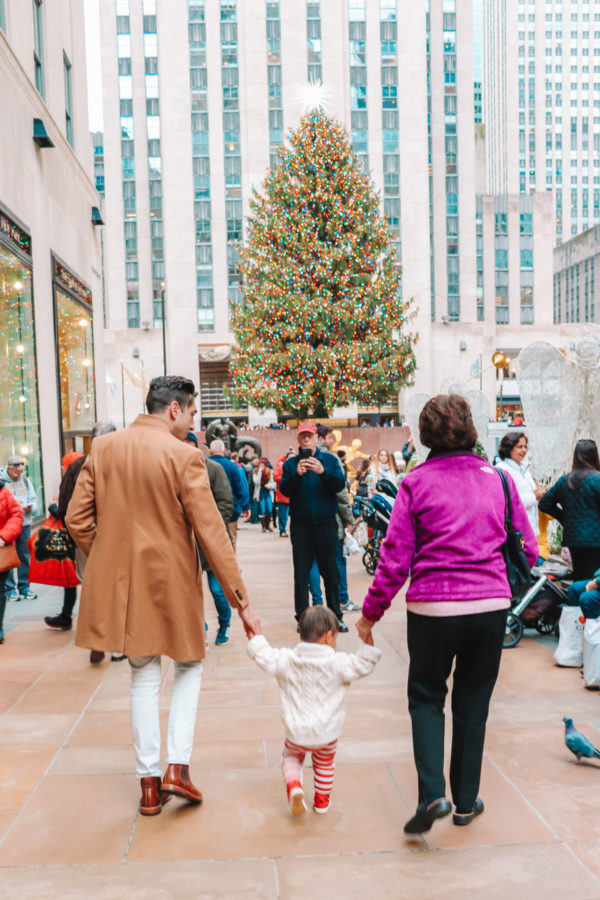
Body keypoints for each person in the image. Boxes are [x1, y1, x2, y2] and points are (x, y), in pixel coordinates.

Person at [66, 375, 260, 816]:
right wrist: (241, 602)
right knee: (190, 664)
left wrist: (111, 560)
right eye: (192, 412)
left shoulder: (105, 449)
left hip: (128, 587)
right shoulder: (184, 455)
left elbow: (77, 520)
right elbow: (212, 532)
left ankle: (149, 786)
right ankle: (178, 769)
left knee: (142, 675)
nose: (192, 420)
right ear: (174, 409)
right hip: (173, 582)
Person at [356, 394, 538, 835]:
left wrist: (369, 615)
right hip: (490, 607)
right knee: (473, 704)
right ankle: (464, 801)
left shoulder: (415, 483)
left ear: (425, 434)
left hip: (433, 608)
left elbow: (394, 558)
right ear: (470, 428)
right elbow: (529, 549)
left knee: (426, 697)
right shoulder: (497, 479)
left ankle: (432, 793)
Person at [247, 606, 380, 816]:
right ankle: (321, 800)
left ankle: (294, 787)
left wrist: (256, 639)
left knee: (290, 757)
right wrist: (367, 645)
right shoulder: (339, 663)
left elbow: (265, 656)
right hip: (327, 734)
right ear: (329, 637)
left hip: (296, 732)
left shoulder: (287, 659)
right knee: (325, 763)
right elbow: (363, 664)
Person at [45, 423, 118, 637]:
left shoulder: (78, 465)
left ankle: (98, 630)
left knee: (92, 583)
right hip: (117, 535)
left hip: (87, 535)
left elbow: (67, 507)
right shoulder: (123, 464)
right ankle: (112, 627)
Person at [280, 422, 348, 633]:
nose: (307, 439)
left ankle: (336, 616)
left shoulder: (329, 460)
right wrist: (296, 476)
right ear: (298, 439)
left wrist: (323, 472)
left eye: (310, 436)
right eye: (303, 436)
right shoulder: (291, 464)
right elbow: (285, 490)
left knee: (331, 573)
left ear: (317, 437)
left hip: (326, 524)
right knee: (301, 573)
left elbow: (339, 484)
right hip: (301, 527)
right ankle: (302, 618)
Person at [188, 433, 235, 646]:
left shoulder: (214, 469)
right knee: (191, 592)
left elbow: (226, 503)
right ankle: (201, 629)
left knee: (217, 590)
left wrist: (210, 527)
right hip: (187, 544)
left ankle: (224, 623)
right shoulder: (177, 471)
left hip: (212, 541)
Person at [539, 438, 600, 580]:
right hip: (596, 540)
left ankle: (575, 601)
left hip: (574, 538)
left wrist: (564, 518)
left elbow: (544, 503)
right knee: (593, 580)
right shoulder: (598, 480)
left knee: (579, 576)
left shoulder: (565, 481)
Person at [0, 455, 38, 600]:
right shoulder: (2, 483)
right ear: (9, 469)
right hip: (7, 527)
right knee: (8, 556)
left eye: (21, 471)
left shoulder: (26, 482)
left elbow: (35, 501)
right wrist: (13, 503)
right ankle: (10, 588)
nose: (19, 474)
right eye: (16, 471)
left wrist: (31, 507)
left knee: (24, 556)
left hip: (25, 523)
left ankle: (24, 586)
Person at [495, 431, 545, 541]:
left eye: (525, 446)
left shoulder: (524, 469)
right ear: (509, 448)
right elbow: (506, 502)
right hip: (516, 534)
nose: (524, 450)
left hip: (530, 532)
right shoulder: (503, 470)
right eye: (520, 447)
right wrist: (533, 496)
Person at [208, 439, 250, 549]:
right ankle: (231, 565)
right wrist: (246, 506)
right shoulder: (233, 467)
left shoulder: (204, 465)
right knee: (231, 540)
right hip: (231, 511)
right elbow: (241, 488)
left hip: (209, 512)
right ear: (224, 450)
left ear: (210, 451)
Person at [0, 478, 23, 643]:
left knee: (0, 589)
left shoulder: (4, 492)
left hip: (0, 549)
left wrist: (3, 536)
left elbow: (16, 515)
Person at [274, 451, 294, 537]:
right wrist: (286, 479)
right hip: (282, 495)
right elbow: (275, 477)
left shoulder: (296, 467)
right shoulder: (281, 467)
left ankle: (285, 529)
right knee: (283, 515)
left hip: (292, 496)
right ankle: (282, 530)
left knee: (288, 515)